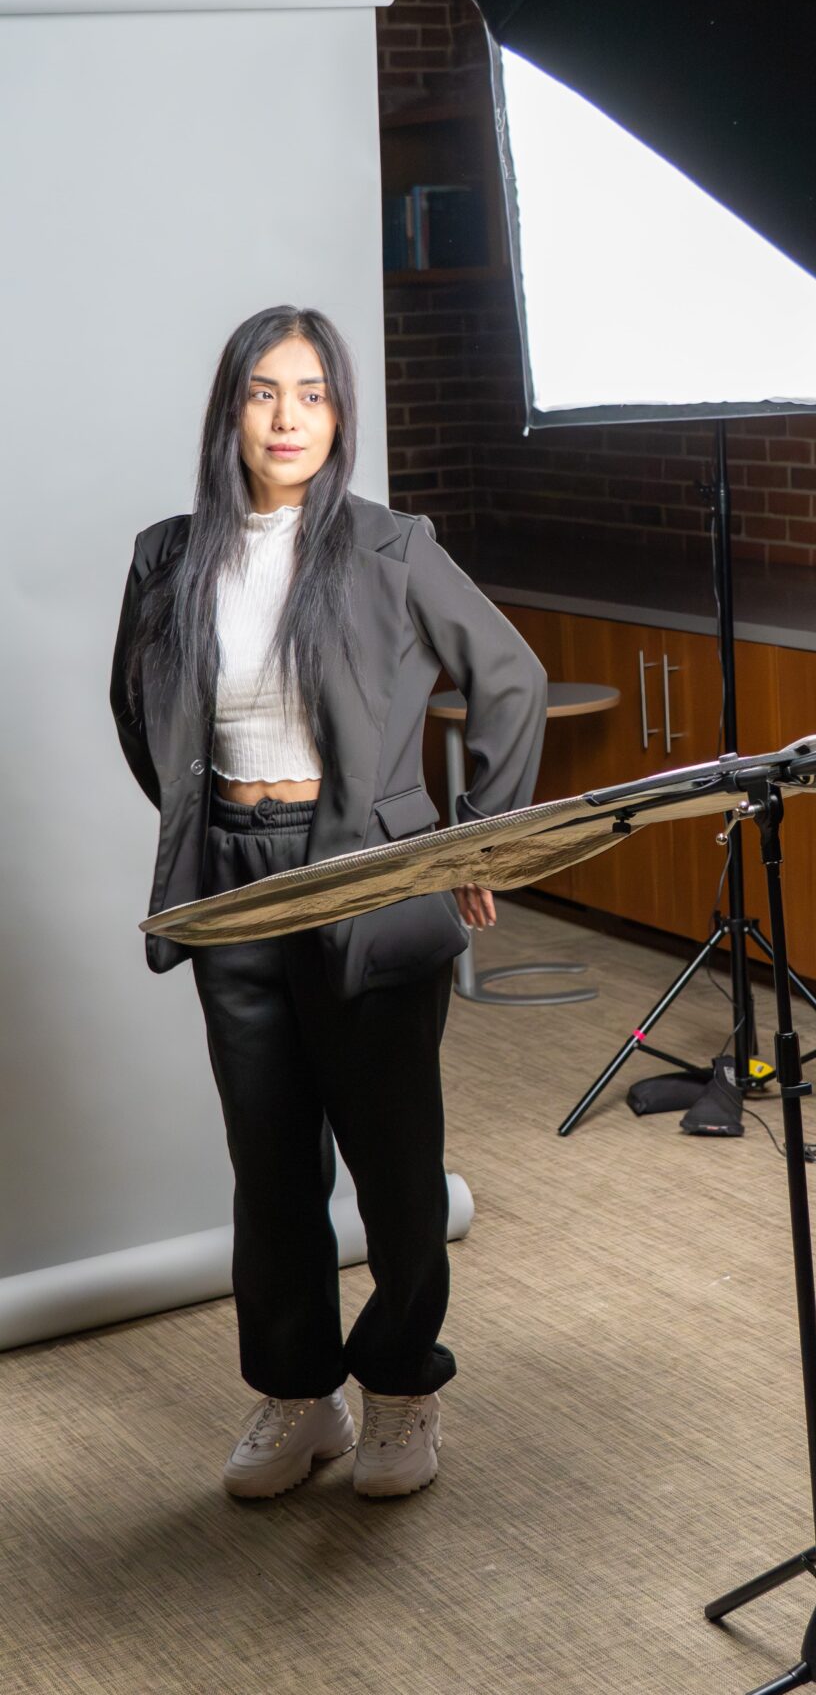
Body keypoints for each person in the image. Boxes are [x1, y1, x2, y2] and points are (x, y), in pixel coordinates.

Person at [110, 305, 546, 1500]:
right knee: (270, 1160)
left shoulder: (390, 546)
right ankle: (298, 1400)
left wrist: (478, 842)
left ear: (340, 413)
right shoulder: (168, 555)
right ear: (231, 412)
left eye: (311, 393)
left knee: (396, 1161)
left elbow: (512, 676)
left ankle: (401, 1394)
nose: (287, 417)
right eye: (263, 393)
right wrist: (206, 816)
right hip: (234, 882)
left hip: (367, 875)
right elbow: (140, 714)